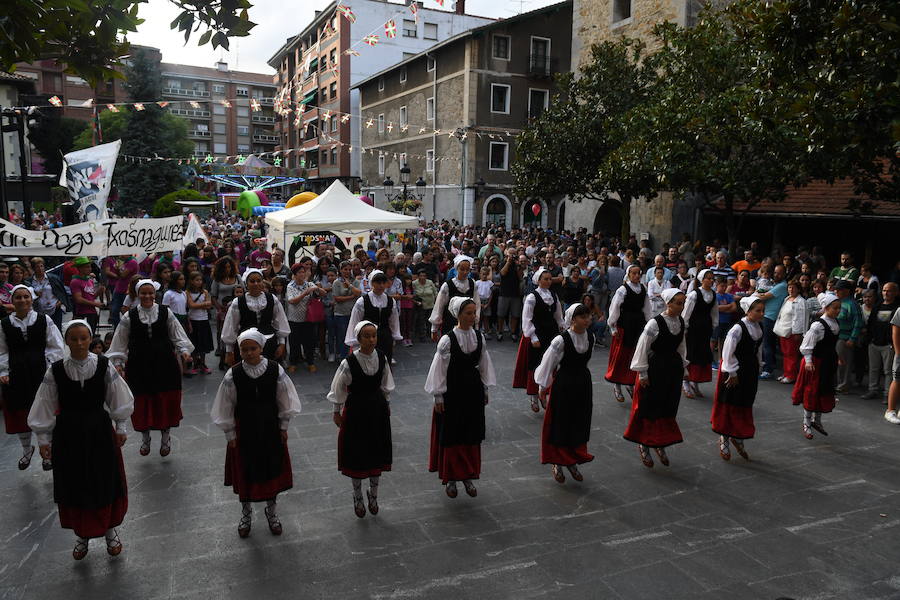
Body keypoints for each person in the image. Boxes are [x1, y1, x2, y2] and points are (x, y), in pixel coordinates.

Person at [27, 320, 133, 560]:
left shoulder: (104, 365)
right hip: (69, 434)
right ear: (66, 341)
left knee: (103, 479)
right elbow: (44, 403)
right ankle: (82, 535)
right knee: (76, 482)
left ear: (89, 338)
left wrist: (121, 425)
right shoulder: (55, 371)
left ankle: (109, 530)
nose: (79, 343)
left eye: (83, 338)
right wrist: (44, 439)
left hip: (99, 431)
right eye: (73, 339)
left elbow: (119, 396)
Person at [211, 328, 301, 537]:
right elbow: (225, 405)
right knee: (246, 470)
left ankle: (272, 511)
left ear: (261, 348)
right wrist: (230, 434)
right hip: (245, 430)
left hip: (269, 427)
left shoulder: (274, 369)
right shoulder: (233, 374)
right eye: (244, 350)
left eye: (253, 348)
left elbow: (285, 399)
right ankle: (246, 513)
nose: (249, 353)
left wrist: (284, 426)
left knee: (271, 468)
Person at [107, 279, 194, 457]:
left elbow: (177, 334)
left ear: (155, 294)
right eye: (143, 293)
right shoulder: (129, 316)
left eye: (150, 293)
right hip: (139, 365)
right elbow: (120, 341)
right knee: (141, 401)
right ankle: (145, 438)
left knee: (165, 400)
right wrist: (118, 362)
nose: (147, 296)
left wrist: (184, 351)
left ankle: (165, 438)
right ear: (138, 295)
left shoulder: (165, 312)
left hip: (165, 364)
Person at [425, 297, 496, 498]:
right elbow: (439, 369)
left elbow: (484, 364)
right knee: (453, 432)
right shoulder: (447, 340)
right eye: (468, 313)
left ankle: (468, 475)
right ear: (458, 315)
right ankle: (451, 478)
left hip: (472, 389)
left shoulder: (479, 337)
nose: (473, 317)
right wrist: (438, 396)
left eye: (474, 313)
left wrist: (485, 388)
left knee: (471, 431)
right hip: (453, 390)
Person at [328, 321, 395, 518]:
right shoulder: (348, 362)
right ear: (358, 339)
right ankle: (357, 495)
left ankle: (373, 494)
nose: (371, 339)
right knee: (357, 453)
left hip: (377, 409)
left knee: (376, 450)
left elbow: (386, 383)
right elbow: (338, 388)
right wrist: (336, 411)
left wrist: (387, 403)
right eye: (366, 336)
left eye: (374, 335)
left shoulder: (381, 357)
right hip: (356, 410)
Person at [0, 285, 65, 470]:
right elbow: (1, 350)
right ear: (12, 301)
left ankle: (48, 452)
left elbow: (56, 346)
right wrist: (3, 371)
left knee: (45, 411)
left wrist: (51, 367)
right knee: (21, 412)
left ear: (32, 299)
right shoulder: (4, 324)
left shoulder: (44, 320)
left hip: (40, 373)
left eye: (25, 297)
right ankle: (27, 450)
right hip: (16, 375)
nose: (22, 300)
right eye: (18, 297)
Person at [623, 288, 688, 468]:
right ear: (668, 303)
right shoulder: (655, 323)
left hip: (672, 369)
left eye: (683, 303)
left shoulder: (680, 322)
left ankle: (660, 443)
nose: (681, 307)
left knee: (667, 406)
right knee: (650, 406)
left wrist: (684, 367)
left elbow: (681, 346)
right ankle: (644, 443)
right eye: (678, 303)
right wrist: (642, 373)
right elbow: (642, 347)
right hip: (656, 367)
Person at [534, 303, 595, 484]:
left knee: (578, 421)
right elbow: (548, 363)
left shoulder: (590, 337)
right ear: (573, 319)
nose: (587, 320)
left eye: (588, 316)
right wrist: (543, 387)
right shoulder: (561, 340)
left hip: (583, 383)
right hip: (565, 384)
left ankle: (572, 459)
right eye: (583, 317)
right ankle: (558, 462)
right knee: (561, 421)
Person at [711, 296, 764, 461]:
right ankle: (724, 439)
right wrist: (732, 373)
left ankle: (737, 435)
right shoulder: (737, 329)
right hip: (735, 369)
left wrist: (759, 365)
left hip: (750, 369)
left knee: (744, 402)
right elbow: (727, 353)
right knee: (730, 403)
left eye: (763, 310)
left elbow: (758, 349)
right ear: (748, 311)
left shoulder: (759, 327)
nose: (761, 314)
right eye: (758, 311)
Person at [513, 268, 564, 412]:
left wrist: (563, 328)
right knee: (535, 364)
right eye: (545, 279)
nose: (548, 281)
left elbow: (558, 315)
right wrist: (532, 336)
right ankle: (534, 395)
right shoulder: (532, 297)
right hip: (538, 333)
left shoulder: (553, 295)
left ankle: (545, 393)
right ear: (538, 280)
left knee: (550, 364)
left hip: (551, 333)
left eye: (549, 279)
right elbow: (526, 319)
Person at [792, 294, 841, 439]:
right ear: (826, 308)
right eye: (835, 308)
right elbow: (806, 345)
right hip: (815, 363)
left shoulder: (835, 322)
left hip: (828, 362)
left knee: (823, 390)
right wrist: (808, 361)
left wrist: (838, 357)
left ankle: (817, 420)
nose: (838, 310)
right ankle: (806, 422)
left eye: (839, 308)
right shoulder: (818, 325)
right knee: (811, 391)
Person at [221, 269, 290, 366]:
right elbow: (231, 326)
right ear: (246, 284)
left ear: (263, 282)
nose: (256, 284)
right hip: (246, 344)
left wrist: (282, 344)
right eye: (252, 281)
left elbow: (280, 322)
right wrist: (229, 351)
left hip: (268, 342)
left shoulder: (272, 299)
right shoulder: (238, 302)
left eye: (258, 280)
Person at [605, 265, 651, 402]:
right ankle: (617, 385)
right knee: (621, 355)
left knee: (635, 354)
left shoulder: (643, 289)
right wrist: (613, 327)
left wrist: (649, 324)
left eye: (638, 273)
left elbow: (647, 308)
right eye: (634, 273)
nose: (637, 276)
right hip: (625, 325)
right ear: (629, 274)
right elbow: (614, 308)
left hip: (638, 324)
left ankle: (630, 382)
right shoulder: (622, 290)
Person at [345, 271, 402, 363]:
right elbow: (355, 321)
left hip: (385, 336)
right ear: (372, 283)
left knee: (384, 363)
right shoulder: (362, 301)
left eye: (383, 283)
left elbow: (394, 321)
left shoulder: (391, 301)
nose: (381, 286)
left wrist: (395, 335)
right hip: (367, 337)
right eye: (378, 283)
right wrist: (354, 340)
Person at [682, 269, 718, 398]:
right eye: (708, 278)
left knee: (701, 356)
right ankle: (685, 382)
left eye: (712, 278)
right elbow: (686, 313)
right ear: (702, 279)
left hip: (705, 329)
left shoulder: (713, 294)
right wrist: (684, 327)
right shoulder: (694, 294)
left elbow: (714, 312)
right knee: (691, 355)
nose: (711, 280)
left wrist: (714, 325)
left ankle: (695, 382)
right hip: (693, 329)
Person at [430, 255, 479, 338]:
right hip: (450, 323)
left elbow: (477, 304)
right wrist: (434, 328)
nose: (465, 272)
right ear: (456, 269)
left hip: (468, 324)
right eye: (462, 269)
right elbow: (439, 307)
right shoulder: (447, 285)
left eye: (467, 270)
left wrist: (476, 322)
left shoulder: (472, 284)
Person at [865, 282, 899, 402]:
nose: (886, 293)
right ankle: (872, 390)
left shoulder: (897, 308)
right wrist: (870, 340)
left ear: (896, 292)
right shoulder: (877, 306)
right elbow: (870, 324)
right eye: (884, 290)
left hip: (888, 345)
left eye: (889, 290)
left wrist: (892, 343)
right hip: (874, 343)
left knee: (888, 371)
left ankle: (887, 394)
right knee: (873, 368)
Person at [286, 263, 322, 373]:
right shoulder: (290, 286)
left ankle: (310, 362)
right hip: (294, 319)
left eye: (303, 272)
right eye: (299, 272)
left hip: (308, 318)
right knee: (294, 342)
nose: (302, 274)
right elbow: (292, 301)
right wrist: (305, 293)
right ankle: (293, 362)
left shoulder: (309, 284)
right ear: (294, 274)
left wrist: (318, 288)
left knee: (309, 342)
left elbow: (322, 293)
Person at [755, 264, 788, 379]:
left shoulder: (782, 286)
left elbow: (763, 296)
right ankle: (769, 366)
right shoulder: (776, 284)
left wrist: (756, 293)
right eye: (775, 272)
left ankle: (768, 370)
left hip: (770, 317)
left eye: (779, 273)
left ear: (784, 274)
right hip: (768, 316)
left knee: (767, 345)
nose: (776, 275)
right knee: (768, 344)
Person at [774, 280, 810, 385]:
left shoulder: (802, 302)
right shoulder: (787, 299)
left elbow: (803, 318)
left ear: (798, 289)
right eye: (789, 287)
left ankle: (791, 375)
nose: (791, 289)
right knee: (785, 353)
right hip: (783, 330)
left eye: (793, 287)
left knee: (792, 355)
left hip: (793, 332)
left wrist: (799, 333)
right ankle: (786, 373)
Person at [832, 279, 863, 393]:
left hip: (845, 338)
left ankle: (843, 385)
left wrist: (852, 338)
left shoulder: (852, 304)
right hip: (835, 336)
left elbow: (858, 323)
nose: (836, 291)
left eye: (839, 290)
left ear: (846, 291)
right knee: (836, 361)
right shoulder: (837, 302)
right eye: (836, 289)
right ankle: (837, 382)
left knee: (844, 363)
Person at [27, 257, 68, 331]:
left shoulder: (53, 278)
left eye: (41, 266)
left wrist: (60, 301)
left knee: (56, 330)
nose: (40, 269)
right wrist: (35, 294)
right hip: (39, 311)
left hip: (55, 309)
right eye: (37, 267)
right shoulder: (30, 281)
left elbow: (61, 291)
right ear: (33, 268)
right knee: (43, 331)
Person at [186, 271, 214, 375]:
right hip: (193, 320)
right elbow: (191, 305)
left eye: (200, 280)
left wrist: (201, 305)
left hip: (203, 320)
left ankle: (202, 363)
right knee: (194, 343)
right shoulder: (188, 292)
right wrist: (204, 304)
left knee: (203, 343)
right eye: (196, 280)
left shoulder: (205, 292)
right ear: (191, 281)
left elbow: (209, 305)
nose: (199, 282)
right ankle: (195, 363)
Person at [70, 257, 105, 333]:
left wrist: (99, 291)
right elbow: (78, 299)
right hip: (81, 314)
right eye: (87, 267)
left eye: (90, 266)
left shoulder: (90, 280)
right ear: (80, 268)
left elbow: (91, 297)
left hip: (92, 313)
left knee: (91, 335)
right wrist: (95, 304)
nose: (90, 269)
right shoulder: (75, 281)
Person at [497, 247, 522, 341]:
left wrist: (518, 265)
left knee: (515, 314)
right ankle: (499, 331)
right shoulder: (503, 263)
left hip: (515, 293)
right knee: (501, 314)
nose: (512, 256)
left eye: (513, 254)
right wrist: (508, 262)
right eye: (510, 254)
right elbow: (502, 273)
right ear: (506, 254)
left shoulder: (517, 264)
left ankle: (513, 332)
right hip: (504, 293)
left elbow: (520, 277)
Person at [412, 268, 438, 343]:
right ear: (418, 276)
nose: (422, 277)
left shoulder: (430, 282)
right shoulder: (414, 283)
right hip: (420, 305)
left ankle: (430, 335)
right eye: (421, 276)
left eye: (424, 276)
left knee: (430, 321)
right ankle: (422, 336)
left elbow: (435, 292)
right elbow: (413, 294)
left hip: (430, 304)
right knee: (421, 321)